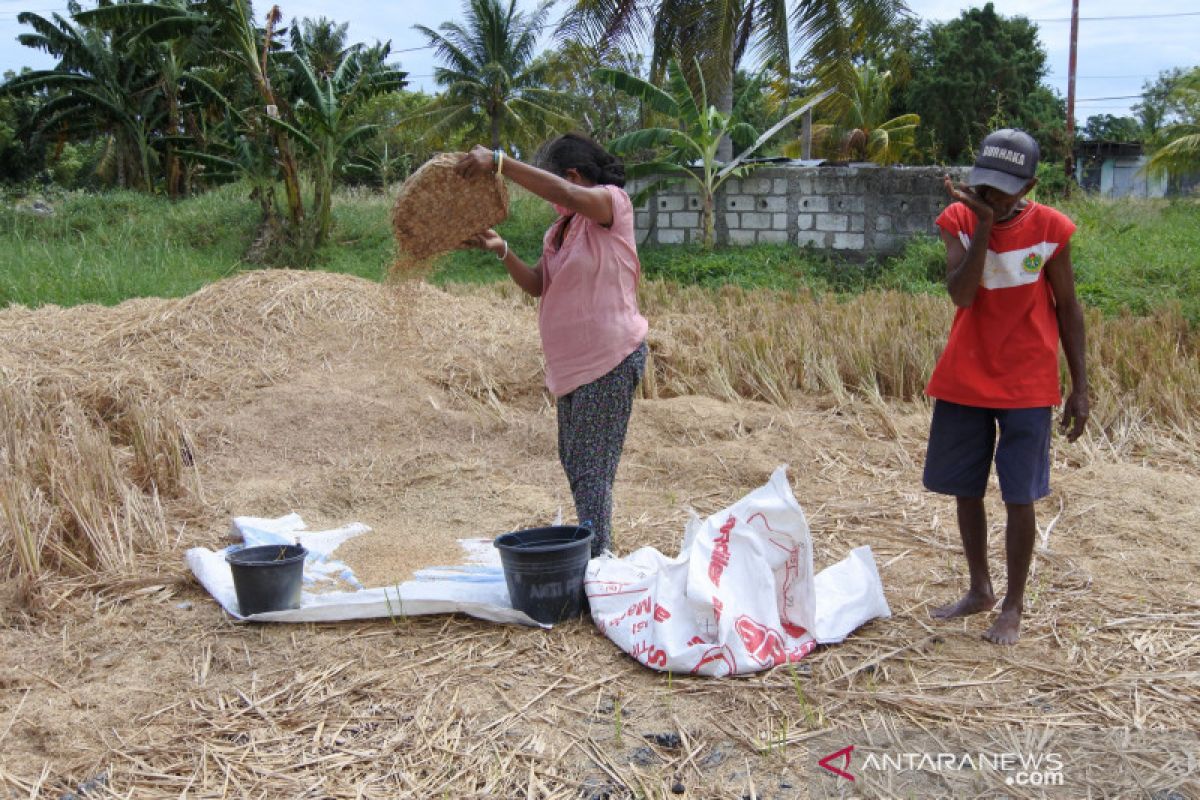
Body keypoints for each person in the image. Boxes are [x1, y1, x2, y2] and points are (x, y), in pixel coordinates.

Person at [924, 128, 1089, 645]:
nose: (993, 196)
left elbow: (1069, 308)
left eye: (1005, 189)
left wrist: (1080, 386)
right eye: (986, 187)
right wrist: (984, 225)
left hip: (1028, 384)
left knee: (1020, 496)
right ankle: (980, 589)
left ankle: (1013, 606)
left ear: (1030, 184)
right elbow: (962, 295)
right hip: (965, 380)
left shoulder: (1051, 230)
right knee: (965, 490)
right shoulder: (958, 221)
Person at [455, 134, 648, 558]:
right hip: (572, 368)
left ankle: (598, 565)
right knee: (575, 462)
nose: (552, 199)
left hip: (610, 356)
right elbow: (540, 284)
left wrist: (501, 162)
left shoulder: (610, 205)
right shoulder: (559, 231)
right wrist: (502, 249)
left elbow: (562, 193)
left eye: (558, 183)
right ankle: (596, 556)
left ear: (574, 176)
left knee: (591, 468)